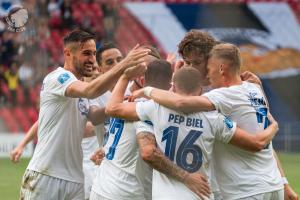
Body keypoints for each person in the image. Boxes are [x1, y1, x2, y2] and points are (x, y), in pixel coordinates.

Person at [131, 43, 285, 200]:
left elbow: (181, 103)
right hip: (272, 185)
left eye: (202, 65)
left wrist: (147, 91)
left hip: (245, 189)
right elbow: (265, 140)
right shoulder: (253, 88)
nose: (208, 75)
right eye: (187, 62)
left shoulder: (220, 96)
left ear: (221, 68)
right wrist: (284, 182)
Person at [19, 29, 149, 200]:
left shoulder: (79, 85)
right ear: (67, 53)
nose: (92, 59)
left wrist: (122, 105)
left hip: (75, 178)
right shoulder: (57, 78)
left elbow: (95, 116)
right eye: (86, 53)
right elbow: (90, 90)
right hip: (46, 174)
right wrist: (124, 66)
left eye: (94, 54)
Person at [89, 48, 162, 200]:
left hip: (104, 186)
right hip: (127, 191)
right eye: (143, 68)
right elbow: (150, 152)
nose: (146, 73)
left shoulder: (123, 95)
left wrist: (106, 148)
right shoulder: (147, 103)